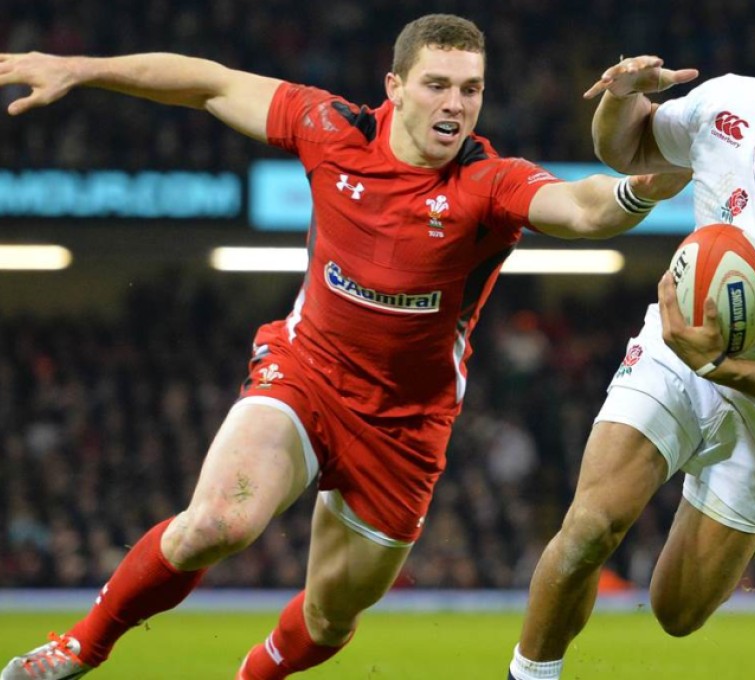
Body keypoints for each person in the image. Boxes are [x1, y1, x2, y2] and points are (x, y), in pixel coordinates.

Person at [0, 14, 687, 680]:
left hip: (405, 429)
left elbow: (584, 208)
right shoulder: (331, 129)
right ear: (394, 87)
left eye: (470, 89)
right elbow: (207, 82)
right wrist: (80, 69)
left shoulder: (488, 183)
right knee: (214, 523)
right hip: (306, 376)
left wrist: (652, 179)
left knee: (330, 619)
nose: (455, 105)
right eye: (437, 84)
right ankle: (79, 648)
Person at [508, 53, 755, 679]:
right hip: (679, 340)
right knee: (589, 529)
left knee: (676, 612)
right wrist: (619, 99)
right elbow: (627, 150)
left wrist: (723, 369)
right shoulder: (725, 106)